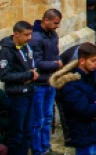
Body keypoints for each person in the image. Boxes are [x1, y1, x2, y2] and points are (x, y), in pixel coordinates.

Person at [54, 42, 96, 155]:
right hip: (84, 135)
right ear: (82, 60)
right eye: (93, 60)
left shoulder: (95, 76)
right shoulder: (71, 83)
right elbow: (85, 110)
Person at [0, 21, 37, 155]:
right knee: (16, 134)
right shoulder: (6, 52)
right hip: (17, 97)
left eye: (30, 34)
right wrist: (28, 75)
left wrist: (31, 75)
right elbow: (5, 75)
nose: (29, 38)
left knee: (27, 131)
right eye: (26, 35)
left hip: (29, 93)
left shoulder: (25, 47)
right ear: (16, 34)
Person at [29, 9, 63, 155]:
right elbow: (37, 63)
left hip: (50, 82)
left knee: (48, 118)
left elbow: (54, 55)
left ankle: (46, 146)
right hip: (39, 84)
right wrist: (57, 65)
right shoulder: (35, 38)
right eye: (55, 23)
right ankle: (38, 150)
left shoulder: (53, 35)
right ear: (46, 20)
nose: (57, 26)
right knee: (38, 120)